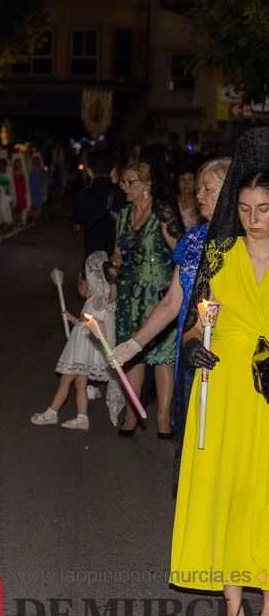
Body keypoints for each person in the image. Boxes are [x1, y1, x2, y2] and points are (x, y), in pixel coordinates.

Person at [170, 129, 269, 616]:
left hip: (268, 397)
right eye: (247, 208)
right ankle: (233, 615)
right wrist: (190, 347)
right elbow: (193, 320)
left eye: (265, 209)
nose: (254, 220)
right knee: (227, 496)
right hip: (225, 387)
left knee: (265, 499)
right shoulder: (220, 251)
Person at [112, 157, 231, 437]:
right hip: (189, 347)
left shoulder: (245, 242)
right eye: (198, 188)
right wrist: (133, 344)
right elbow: (171, 302)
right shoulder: (193, 240)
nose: (198, 195)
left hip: (226, 352)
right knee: (192, 434)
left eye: (207, 189)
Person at [113, 161, 184, 438]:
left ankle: (163, 417)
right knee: (133, 356)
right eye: (122, 182)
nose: (124, 187)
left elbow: (181, 252)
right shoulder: (122, 215)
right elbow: (117, 252)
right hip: (129, 298)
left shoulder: (162, 213)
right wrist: (112, 267)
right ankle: (132, 413)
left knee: (162, 357)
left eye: (130, 182)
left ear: (146, 185)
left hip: (159, 297)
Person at [30, 251, 117, 431]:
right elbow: (85, 323)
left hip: (81, 351)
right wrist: (71, 318)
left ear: (89, 281)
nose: (82, 287)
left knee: (65, 381)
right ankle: (82, 417)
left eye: (82, 283)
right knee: (80, 384)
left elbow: (110, 301)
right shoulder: (92, 301)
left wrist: (113, 281)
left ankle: (51, 413)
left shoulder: (101, 300)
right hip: (81, 348)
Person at [71, 149, 123, 258]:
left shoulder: (80, 196)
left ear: (89, 171)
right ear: (113, 171)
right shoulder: (123, 195)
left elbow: (77, 225)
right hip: (116, 257)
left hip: (92, 256)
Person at [28, 151, 47, 222]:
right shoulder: (30, 170)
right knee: (32, 204)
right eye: (34, 161)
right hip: (32, 189)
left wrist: (44, 190)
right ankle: (33, 216)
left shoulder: (42, 170)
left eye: (37, 161)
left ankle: (37, 217)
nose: (35, 162)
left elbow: (44, 181)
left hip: (39, 189)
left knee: (39, 204)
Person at [12, 155, 29, 228]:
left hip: (21, 191)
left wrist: (25, 192)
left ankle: (20, 221)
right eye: (16, 163)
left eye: (19, 163)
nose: (17, 164)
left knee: (21, 208)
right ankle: (15, 222)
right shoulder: (12, 172)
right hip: (15, 191)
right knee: (15, 208)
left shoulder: (23, 172)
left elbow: (25, 183)